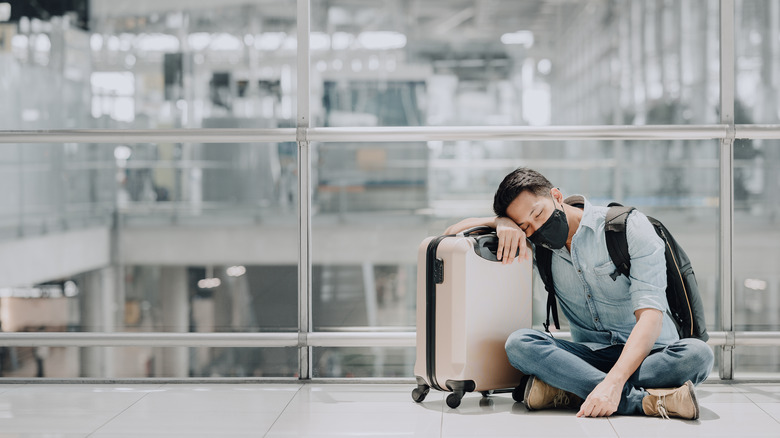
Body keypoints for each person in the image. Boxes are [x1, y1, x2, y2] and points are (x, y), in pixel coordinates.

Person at [445, 167, 714, 420]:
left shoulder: (629, 227)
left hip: (652, 354)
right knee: (519, 344)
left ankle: (571, 387)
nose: (536, 229)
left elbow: (651, 317)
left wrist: (614, 381)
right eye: (525, 226)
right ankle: (639, 401)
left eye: (538, 215)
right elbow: (451, 233)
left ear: (557, 196)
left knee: (698, 356)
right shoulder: (540, 248)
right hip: (590, 353)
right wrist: (501, 222)